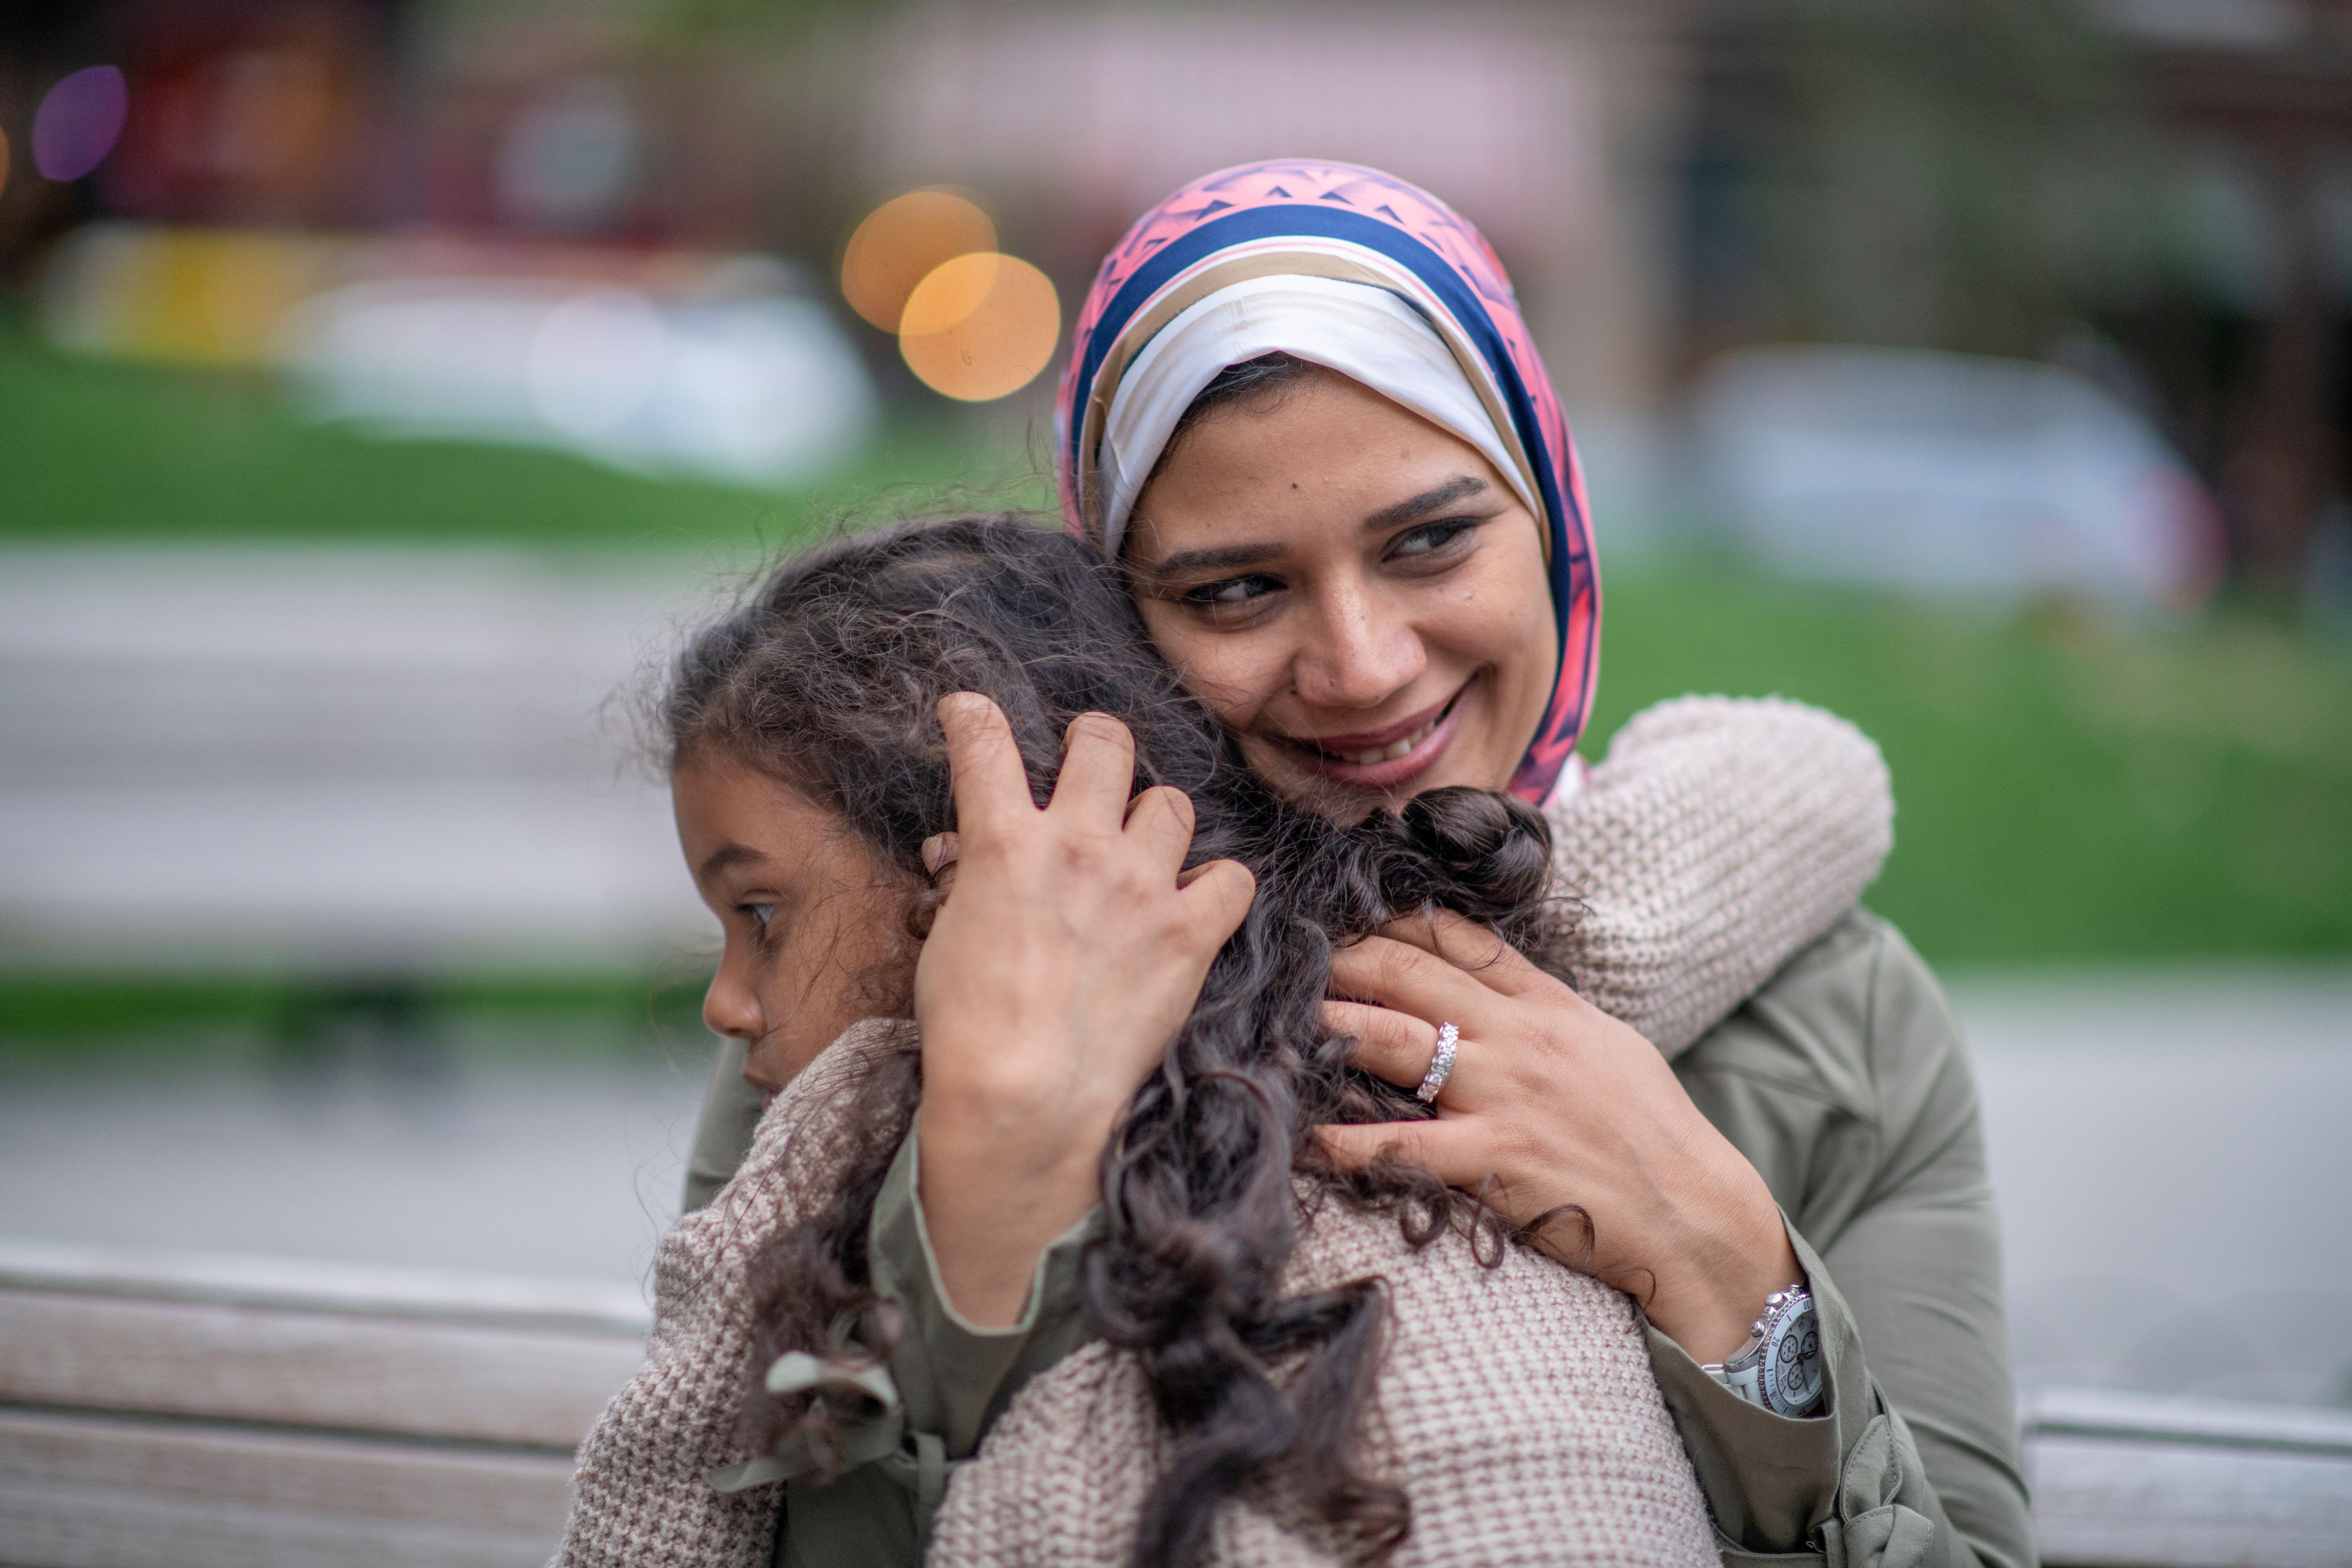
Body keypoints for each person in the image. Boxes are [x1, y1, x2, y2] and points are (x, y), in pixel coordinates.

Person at [679, 161, 2031, 1567]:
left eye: (1430, 540)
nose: (1363, 665)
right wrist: (979, 1208)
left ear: (1553, 518)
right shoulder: (906, 970)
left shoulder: (1836, 1016)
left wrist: (1727, 1274)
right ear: (1116, 615)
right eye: (1236, 588)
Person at [564, 517, 1724, 1567]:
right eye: (1241, 582)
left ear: (994, 859)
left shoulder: (1372, 1199)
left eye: (760, 914)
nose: (725, 1000)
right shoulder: (795, 1145)